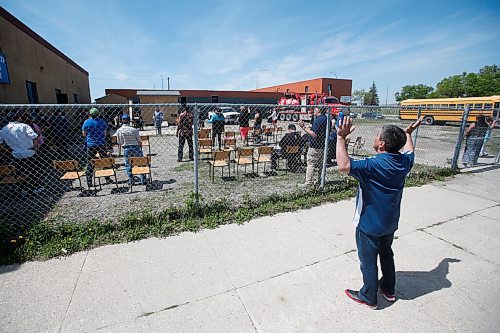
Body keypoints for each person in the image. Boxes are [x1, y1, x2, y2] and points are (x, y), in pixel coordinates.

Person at [337, 116, 423, 309]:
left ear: (382, 144)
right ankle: (388, 289)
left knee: (368, 261)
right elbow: (410, 151)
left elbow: (343, 166)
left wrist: (341, 138)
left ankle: (368, 296)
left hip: (369, 224)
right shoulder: (404, 162)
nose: (375, 138)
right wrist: (408, 133)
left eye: (377, 136)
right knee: (386, 254)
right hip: (390, 223)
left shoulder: (373, 165)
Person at [0, 112, 42, 192]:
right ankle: (36, 188)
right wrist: (35, 147)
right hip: (29, 151)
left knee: (21, 172)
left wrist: (9, 150)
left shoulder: (3, 130)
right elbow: (34, 137)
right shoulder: (24, 126)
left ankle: (24, 189)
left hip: (16, 154)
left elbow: (0, 144)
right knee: (34, 171)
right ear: (18, 117)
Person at [297, 107, 328, 187]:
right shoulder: (325, 118)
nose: (314, 110)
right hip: (322, 144)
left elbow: (314, 134)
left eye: (315, 108)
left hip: (315, 146)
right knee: (321, 164)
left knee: (311, 163)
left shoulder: (318, 120)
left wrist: (303, 127)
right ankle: (321, 181)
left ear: (319, 110)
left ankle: (309, 182)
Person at [82, 107, 112, 187]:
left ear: (90, 114)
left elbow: (84, 134)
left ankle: (89, 181)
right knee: (104, 160)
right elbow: (105, 134)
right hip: (101, 143)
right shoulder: (102, 122)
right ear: (98, 114)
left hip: (91, 144)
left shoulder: (86, 122)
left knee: (90, 162)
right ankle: (107, 178)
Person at [115, 114, 146, 185]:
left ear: (122, 121)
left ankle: (131, 180)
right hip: (135, 147)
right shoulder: (134, 130)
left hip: (126, 148)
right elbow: (139, 140)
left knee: (128, 164)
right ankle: (143, 179)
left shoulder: (119, 130)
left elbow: (119, 142)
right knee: (140, 162)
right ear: (129, 121)